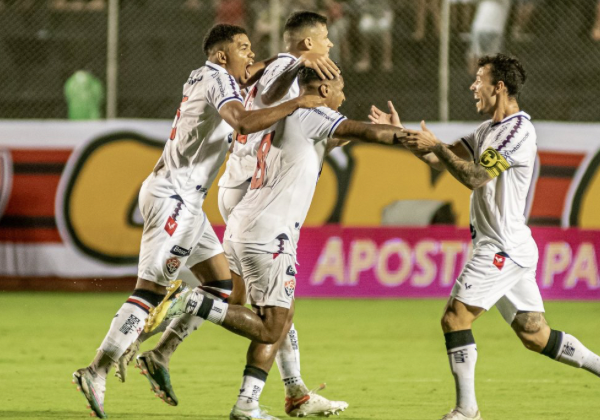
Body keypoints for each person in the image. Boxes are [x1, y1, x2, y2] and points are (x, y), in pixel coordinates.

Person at [72, 23, 325, 420]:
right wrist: (297, 103)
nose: (250, 55)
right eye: (243, 48)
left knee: (222, 285)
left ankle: (159, 354)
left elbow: (253, 72)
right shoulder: (217, 78)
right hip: (174, 199)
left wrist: (286, 59)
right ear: (223, 54)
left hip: (186, 200)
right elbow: (241, 120)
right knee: (150, 290)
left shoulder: (213, 74)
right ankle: (95, 371)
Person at [158, 66, 406, 420]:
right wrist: (408, 136)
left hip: (247, 226)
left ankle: (254, 403)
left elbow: (333, 140)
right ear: (322, 88)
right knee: (272, 325)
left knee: (282, 317)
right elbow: (364, 131)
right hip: (268, 234)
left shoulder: (288, 116)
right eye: (340, 88)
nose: (344, 97)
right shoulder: (313, 112)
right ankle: (193, 301)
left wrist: (387, 129)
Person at [370, 53, 600, 420]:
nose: (473, 86)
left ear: (500, 87)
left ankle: (467, 410)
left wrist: (437, 146)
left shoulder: (517, 130)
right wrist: (402, 134)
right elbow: (439, 159)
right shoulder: (486, 130)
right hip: (508, 245)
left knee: (454, 318)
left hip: (501, 247)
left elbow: (474, 176)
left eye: (479, 79)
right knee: (534, 334)